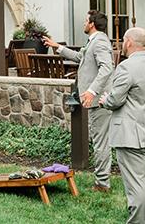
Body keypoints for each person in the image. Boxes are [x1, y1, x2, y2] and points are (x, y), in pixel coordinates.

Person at [100, 27, 145, 224]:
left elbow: (115, 100)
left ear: (129, 42)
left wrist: (105, 100)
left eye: (122, 40)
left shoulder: (127, 67)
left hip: (130, 135)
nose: (121, 44)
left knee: (135, 187)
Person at [43, 10, 113, 192]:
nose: (83, 23)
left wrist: (92, 90)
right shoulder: (94, 42)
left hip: (100, 101)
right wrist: (56, 46)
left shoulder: (100, 42)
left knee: (101, 142)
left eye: (85, 20)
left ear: (92, 24)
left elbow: (107, 68)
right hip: (97, 100)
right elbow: (80, 58)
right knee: (108, 140)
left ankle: (102, 184)